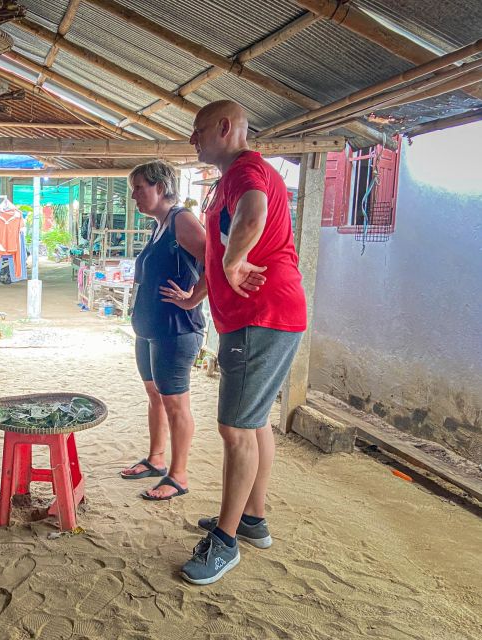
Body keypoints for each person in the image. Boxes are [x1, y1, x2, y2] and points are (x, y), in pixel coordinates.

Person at [177, 101, 306, 585]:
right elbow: (221, 244)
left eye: (199, 130)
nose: (193, 140)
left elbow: (253, 214)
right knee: (253, 424)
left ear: (226, 128)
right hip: (262, 315)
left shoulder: (245, 171)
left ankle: (225, 543)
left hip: (261, 314)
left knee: (234, 430)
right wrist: (203, 289)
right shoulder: (230, 179)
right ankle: (252, 519)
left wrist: (234, 263)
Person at [119, 161, 207, 500]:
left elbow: (217, 261)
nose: (134, 196)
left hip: (176, 329)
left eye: (139, 188)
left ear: (160, 187)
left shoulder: (181, 219)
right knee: (155, 396)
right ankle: (156, 459)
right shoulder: (160, 225)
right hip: (150, 329)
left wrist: (192, 299)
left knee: (175, 404)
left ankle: (179, 475)